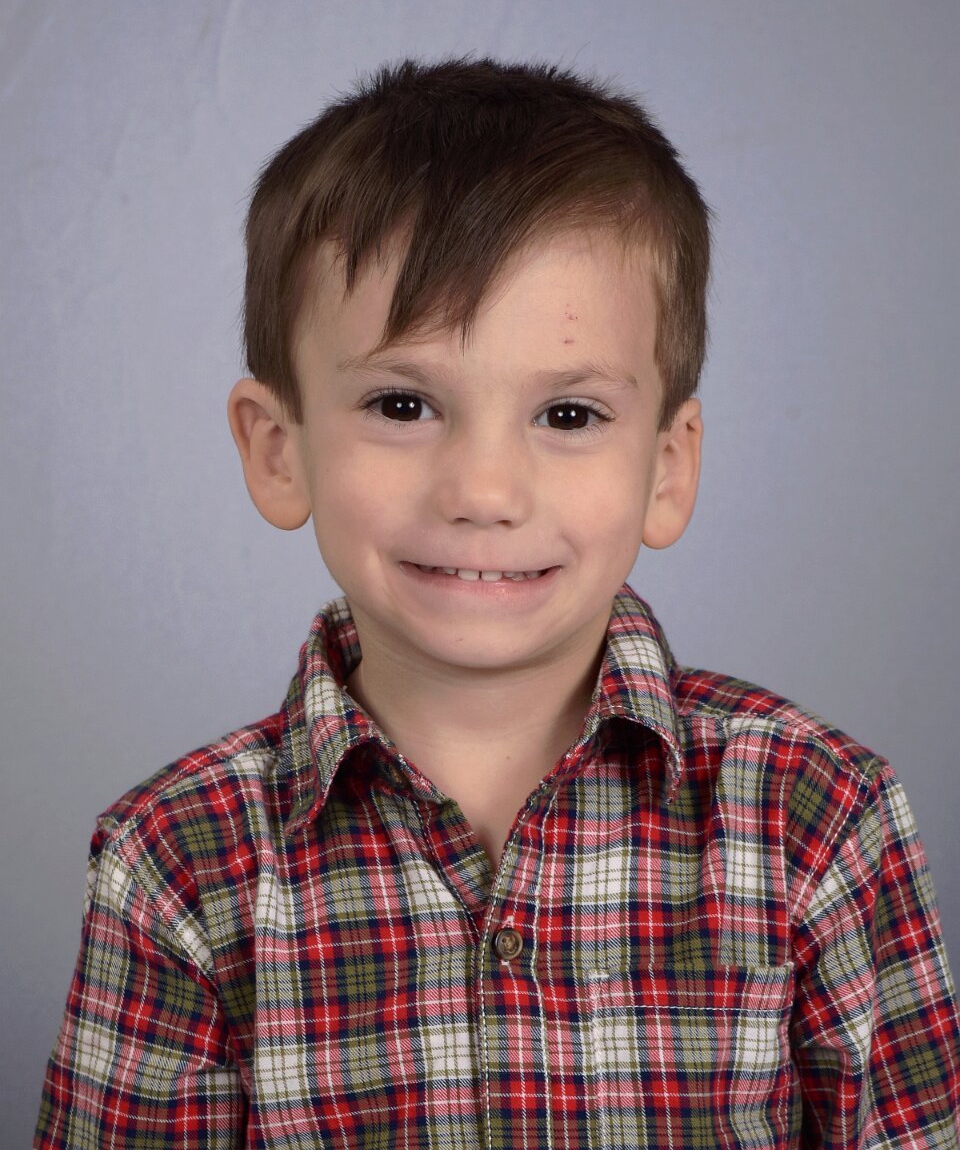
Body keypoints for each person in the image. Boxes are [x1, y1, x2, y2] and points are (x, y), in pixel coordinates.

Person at [35, 56, 959, 1148]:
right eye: (402, 404)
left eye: (568, 416)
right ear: (278, 450)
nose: (483, 491)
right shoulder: (176, 866)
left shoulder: (819, 817)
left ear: (667, 469)